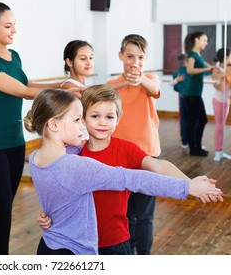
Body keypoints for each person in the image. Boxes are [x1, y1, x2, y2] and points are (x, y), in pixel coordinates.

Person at [25, 89, 222, 255]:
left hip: (92, 242)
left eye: (109, 116)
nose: (100, 122)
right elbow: (135, 179)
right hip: (77, 249)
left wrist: (190, 183)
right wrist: (187, 187)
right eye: (81, 119)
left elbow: (157, 167)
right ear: (55, 124)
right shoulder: (76, 160)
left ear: (118, 118)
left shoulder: (35, 158)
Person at [0, 1, 84, 255]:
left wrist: (61, 81)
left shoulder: (13, 56)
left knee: (8, 206)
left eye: (14, 24)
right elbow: (23, 92)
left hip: (15, 142)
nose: (14, 30)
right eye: (8, 26)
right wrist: (61, 89)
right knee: (3, 207)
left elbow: (27, 82)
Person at [105, 34, 161, 255]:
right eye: (129, 56)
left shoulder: (151, 79)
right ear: (120, 56)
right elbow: (105, 93)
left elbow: (154, 89)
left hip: (147, 155)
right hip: (119, 158)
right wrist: (124, 82)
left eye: (140, 57)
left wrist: (139, 80)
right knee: (126, 214)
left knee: (145, 215)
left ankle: (144, 258)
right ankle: (128, 254)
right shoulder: (112, 86)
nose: (135, 62)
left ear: (145, 60)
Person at [183, 31, 213, 157]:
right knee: (199, 120)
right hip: (191, 94)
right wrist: (206, 69)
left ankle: (196, 147)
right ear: (197, 40)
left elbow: (209, 67)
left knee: (197, 120)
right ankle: (194, 148)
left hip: (195, 93)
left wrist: (214, 68)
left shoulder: (198, 55)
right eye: (204, 40)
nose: (206, 43)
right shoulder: (192, 55)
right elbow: (190, 70)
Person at [211, 48, 231, 161]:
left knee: (222, 127)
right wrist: (225, 73)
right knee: (219, 126)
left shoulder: (228, 69)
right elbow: (215, 80)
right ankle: (217, 152)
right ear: (226, 57)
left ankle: (221, 150)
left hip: (226, 101)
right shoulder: (217, 69)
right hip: (218, 101)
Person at [170, 53, 189, 149]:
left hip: (182, 98)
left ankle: (184, 141)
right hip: (191, 98)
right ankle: (191, 141)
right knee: (193, 120)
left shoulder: (176, 73)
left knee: (184, 119)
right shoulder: (190, 72)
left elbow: (174, 87)